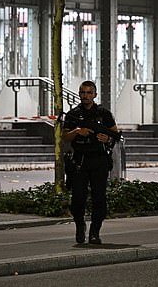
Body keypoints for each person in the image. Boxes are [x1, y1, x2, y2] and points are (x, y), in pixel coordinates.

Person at [62, 80, 118, 245]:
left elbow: (115, 135)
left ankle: (95, 232)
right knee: (78, 199)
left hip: (99, 159)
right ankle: (80, 225)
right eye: (82, 92)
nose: (85, 96)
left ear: (95, 95)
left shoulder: (103, 114)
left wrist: (107, 138)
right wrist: (78, 131)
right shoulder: (73, 114)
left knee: (99, 198)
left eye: (88, 93)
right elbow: (64, 137)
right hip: (80, 160)